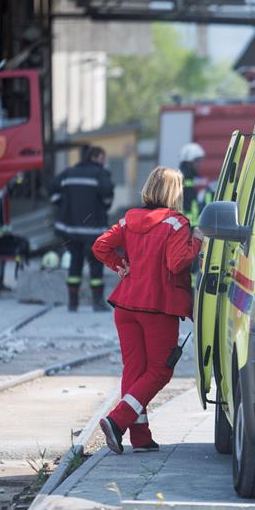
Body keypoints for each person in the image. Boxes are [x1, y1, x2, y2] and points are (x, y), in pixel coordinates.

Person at [92, 166, 203, 454]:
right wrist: (199, 241)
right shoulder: (177, 223)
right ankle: (117, 421)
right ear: (173, 192)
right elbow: (177, 263)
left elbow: (101, 246)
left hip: (125, 305)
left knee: (135, 369)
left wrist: (120, 267)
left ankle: (140, 438)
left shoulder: (129, 219)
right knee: (160, 371)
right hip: (157, 308)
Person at [50, 146, 114, 312]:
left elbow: (52, 188)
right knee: (95, 264)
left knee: (75, 262)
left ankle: (73, 303)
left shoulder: (69, 172)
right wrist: (104, 206)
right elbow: (107, 194)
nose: (104, 162)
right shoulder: (100, 174)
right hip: (92, 231)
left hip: (70, 230)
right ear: (95, 157)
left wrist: (61, 204)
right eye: (102, 158)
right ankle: (97, 303)